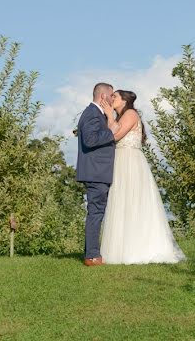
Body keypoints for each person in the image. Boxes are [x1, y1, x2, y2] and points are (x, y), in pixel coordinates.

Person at [99, 90, 185, 264]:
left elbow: (115, 135)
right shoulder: (120, 115)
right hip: (120, 161)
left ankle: (138, 249)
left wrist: (109, 114)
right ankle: (120, 250)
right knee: (121, 203)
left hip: (130, 162)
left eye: (114, 97)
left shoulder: (131, 113)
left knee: (132, 202)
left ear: (124, 100)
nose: (111, 99)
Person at [75, 82, 116, 266]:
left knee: (96, 212)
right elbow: (91, 140)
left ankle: (90, 253)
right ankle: (92, 256)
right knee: (96, 212)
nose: (113, 99)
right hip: (96, 172)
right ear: (102, 97)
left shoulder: (94, 113)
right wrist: (111, 132)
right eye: (111, 95)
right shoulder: (92, 113)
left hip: (97, 171)